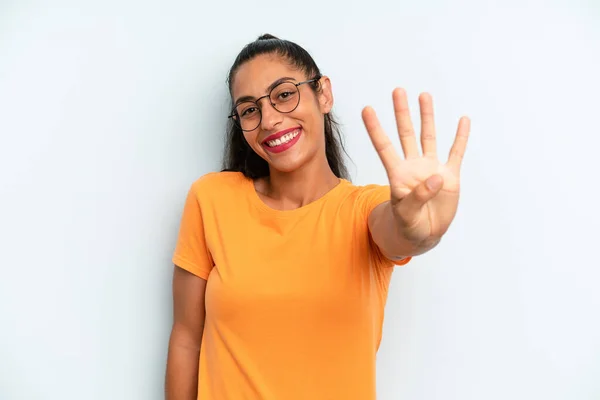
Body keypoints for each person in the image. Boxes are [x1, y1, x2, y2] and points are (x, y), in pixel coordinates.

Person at [165, 34, 470, 400]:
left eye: (283, 94)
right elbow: (186, 336)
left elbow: (398, 232)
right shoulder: (211, 198)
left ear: (323, 93)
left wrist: (420, 231)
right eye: (249, 109)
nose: (269, 120)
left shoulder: (363, 209)